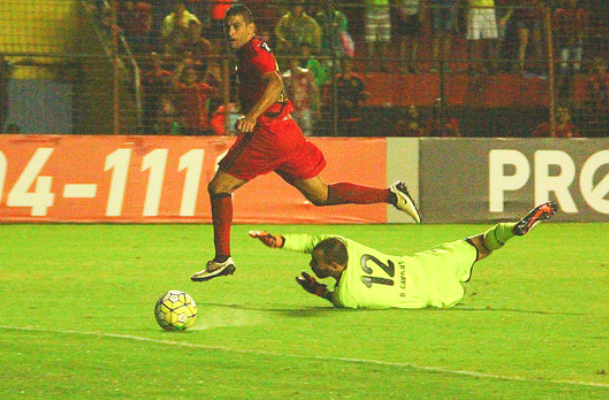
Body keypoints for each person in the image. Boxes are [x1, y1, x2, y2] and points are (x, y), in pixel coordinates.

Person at [190, 5, 422, 282]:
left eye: (237, 26)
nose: (230, 32)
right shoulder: (250, 50)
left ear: (251, 29)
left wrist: (252, 115)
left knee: (219, 187)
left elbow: (276, 84)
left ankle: (222, 259)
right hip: (286, 131)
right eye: (227, 27)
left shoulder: (252, 53)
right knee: (322, 195)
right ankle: (392, 195)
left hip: (267, 135)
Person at [249, 201, 557, 309]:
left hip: (438, 294)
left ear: (334, 266)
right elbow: (315, 241)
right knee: (480, 246)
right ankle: (511, 230)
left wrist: (315, 289)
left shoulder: (348, 295)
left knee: (479, 252)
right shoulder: (348, 245)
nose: (311, 261)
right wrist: (277, 241)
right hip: (428, 264)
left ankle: (511, 230)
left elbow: (333, 298)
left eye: (317, 263)